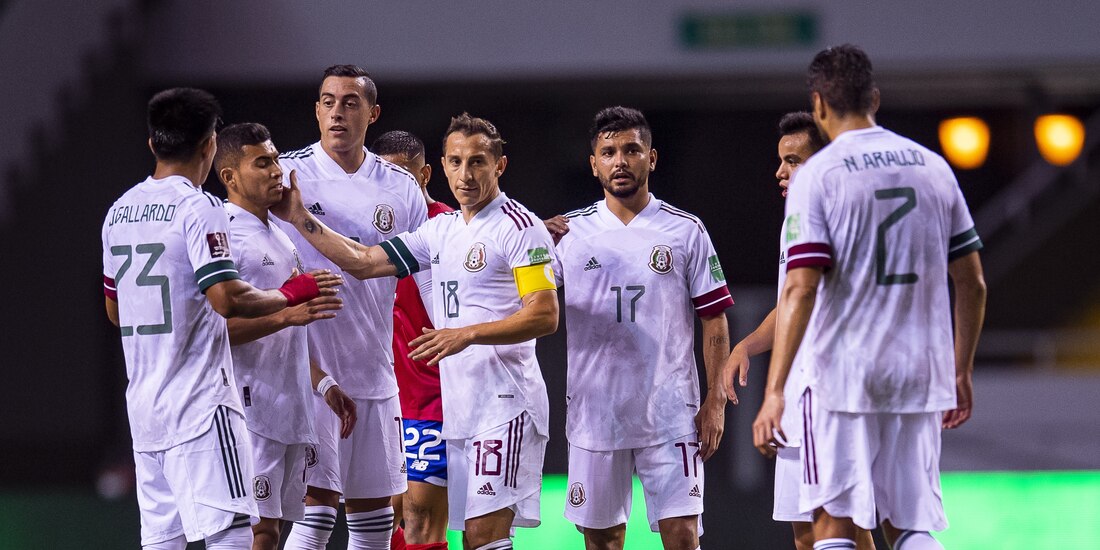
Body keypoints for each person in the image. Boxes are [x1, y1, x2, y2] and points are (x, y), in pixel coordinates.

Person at [272, 113, 558, 550]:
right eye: (457, 162)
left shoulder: (518, 226)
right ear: (442, 166)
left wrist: (465, 334)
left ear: (499, 166)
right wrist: (300, 218)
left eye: (478, 162)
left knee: (483, 537)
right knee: (462, 536)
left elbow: (544, 315)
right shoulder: (439, 230)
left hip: (506, 403)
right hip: (461, 405)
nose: (466, 174)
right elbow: (365, 261)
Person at [751, 45, 987, 550]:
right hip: (919, 371)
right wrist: (960, 368)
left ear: (818, 104)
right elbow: (972, 282)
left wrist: (774, 393)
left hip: (843, 375)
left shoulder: (818, 175)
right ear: (874, 97)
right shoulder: (933, 168)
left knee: (831, 526)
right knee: (908, 525)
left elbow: (800, 286)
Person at [101, 88, 334, 550]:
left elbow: (115, 311)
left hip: (145, 409)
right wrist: (289, 295)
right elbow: (227, 298)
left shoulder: (118, 212)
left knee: (163, 541)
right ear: (210, 145)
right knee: (232, 533)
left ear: (153, 143)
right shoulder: (199, 207)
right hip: (203, 406)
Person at [553, 107, 734, 550]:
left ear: (651, 158)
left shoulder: (686, 230)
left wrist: (715, 401)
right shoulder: (567, 233)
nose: (620, 161)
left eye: (631, 150)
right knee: (602, 541)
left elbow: (714, 318)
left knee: (682, 536)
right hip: (596, 415)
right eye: (608, 151)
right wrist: (529, 243)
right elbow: (524, 297)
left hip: (671, 414)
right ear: (593, 162)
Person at [724, 113, 875, 550]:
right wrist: (749, 345)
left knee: (840, 527)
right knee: (807, 533)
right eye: (780, 161)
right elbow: (791, 300)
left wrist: (773, 394)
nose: (780, 172)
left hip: (829, 393)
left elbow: (807, 298)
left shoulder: (837, 218)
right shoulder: (800, 220)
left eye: (793, 161)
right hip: (800, 393)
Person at [214, 122, 359, 550]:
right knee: (250, 530)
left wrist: (324, 384)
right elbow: (214, 332)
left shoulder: (279, 235)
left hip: (288, 405)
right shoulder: (222, 235)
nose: (277, 170)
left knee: (271, 532)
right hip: (246, 407)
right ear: (230, 177)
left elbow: (291, 329)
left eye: (276, 159)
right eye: (262, 162)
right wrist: (287, 315)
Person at [371, 130, 455, 550]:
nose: (393, 189)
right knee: (379, 523)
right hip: (379, 395)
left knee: (421, 516)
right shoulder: (367, 228)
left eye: (403, 177)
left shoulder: (450, 230)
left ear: (424, 174)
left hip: (432, 394)